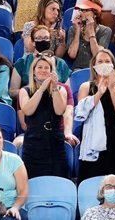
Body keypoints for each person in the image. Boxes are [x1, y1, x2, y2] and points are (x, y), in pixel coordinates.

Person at [75, 48, 115, 181]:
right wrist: (99, 92)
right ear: (94, 65)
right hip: (92, 135)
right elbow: (82, 111)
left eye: (107, 61)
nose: (104, 64)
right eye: (100, 61)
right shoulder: (86, 86)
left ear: (113, 65)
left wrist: (111, 88)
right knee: (92, 177)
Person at [18, 51, 69, 179]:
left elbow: (59, 111)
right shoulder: (25, 90)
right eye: (39, 67)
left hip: (55, 144)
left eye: (47, 68)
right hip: (33, 145)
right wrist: (41, 89)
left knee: (57, 180)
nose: (43, 70)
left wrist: (54, 87)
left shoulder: (61, 89)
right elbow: (28, 110)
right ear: (33, 70)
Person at [10, 25, 71, 100]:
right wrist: (34, 91)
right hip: (28, 102)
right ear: (33, 42)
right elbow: (12, 92)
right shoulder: (22, 62)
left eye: (46, 38)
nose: (43, 40)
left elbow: (68, 92)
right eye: (38, 38)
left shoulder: (61, 64)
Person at [67, 0, 112, 71]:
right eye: (81, 10)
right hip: (77, 70)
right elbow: (72, 55)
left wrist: (91, 32)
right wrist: (77, 31)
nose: (82, 13)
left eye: (86, 10)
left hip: (96, 70)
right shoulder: (73, 29)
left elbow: (97, 55)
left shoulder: (105, 31)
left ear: (95, 14)